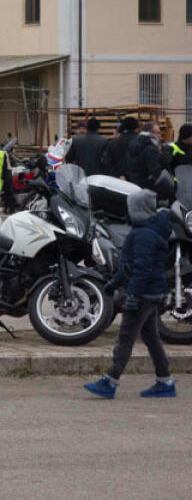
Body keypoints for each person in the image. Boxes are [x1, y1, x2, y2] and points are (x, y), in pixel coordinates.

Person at [85, 190, 175, 399]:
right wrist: (113, 283)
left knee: (125, 338)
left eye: (131, 207)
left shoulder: (143, 234)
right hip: (152, 293)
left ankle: (110, 381)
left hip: (142, 295)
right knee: (151, 338)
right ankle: (165, 381)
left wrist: (133, 295)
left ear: (138, 210)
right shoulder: (149, 231)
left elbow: (141, 269)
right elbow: (129, 266)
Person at [125, 122, 164, 191]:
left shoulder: (133, 143)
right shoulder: (150, 147)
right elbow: (155, 171)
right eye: (158, 133)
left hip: (133, 182)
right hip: (147, 185)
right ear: (151, 133)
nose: (160, 136)